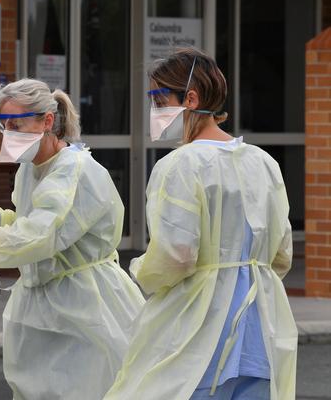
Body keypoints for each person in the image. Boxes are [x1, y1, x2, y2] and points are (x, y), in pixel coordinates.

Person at [0, 79, 144, 400]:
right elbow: (30, 220)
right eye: (2, 126)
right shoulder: (32, 167)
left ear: (47, 121)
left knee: (88, 389)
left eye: (16, 125)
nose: (8, 135)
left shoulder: (73, 172)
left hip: (85, 304)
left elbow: (38, 237)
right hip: (45, 301)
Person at [104, 47, 297, 400]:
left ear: (190, 99)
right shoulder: (264, 162)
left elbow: (176, 256)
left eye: (159, 99)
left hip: (198, 334)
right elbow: (282, 253)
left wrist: (140, 272)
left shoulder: (179, 165)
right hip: (261, 329)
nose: (154, 111)